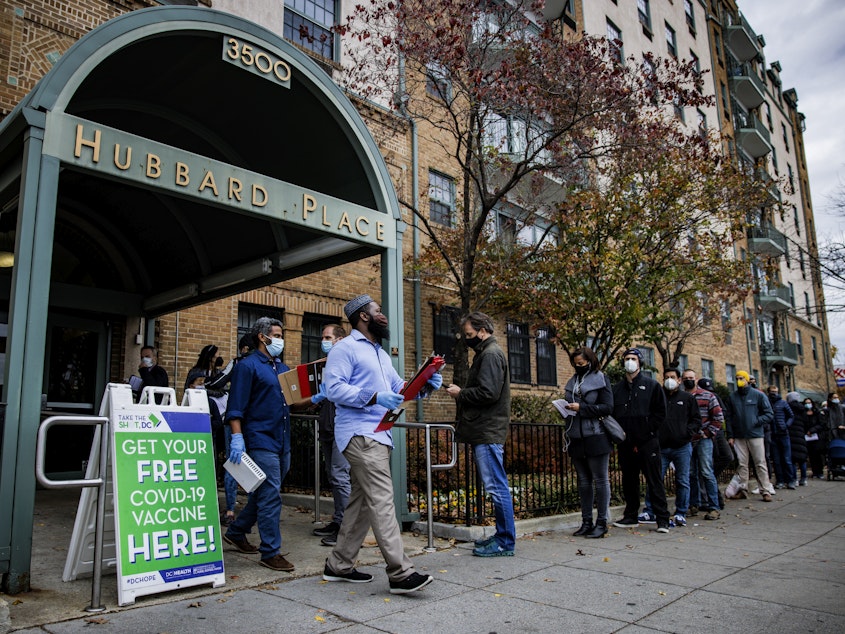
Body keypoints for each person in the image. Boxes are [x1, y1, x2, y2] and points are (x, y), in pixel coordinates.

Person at [322, 294, 441, 594]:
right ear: (363, 316)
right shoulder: (344, 348)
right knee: (383, 501)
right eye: (378, 311)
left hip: (378, 434)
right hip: (360, 435)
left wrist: (426, 382)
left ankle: (338, 564)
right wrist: (374, 397)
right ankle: (401, 572)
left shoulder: (380, 353)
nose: (383, 315)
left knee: (361, 505)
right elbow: (333, 388)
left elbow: (399, 389)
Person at [223, 317, 294, 572]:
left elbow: (294, 402)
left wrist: (319, 392)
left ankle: (237, 531)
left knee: (264, 492)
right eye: (277, 334)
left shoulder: (282, 368)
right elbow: (236, 407)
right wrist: (237, 437)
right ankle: (270, 552)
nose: (280, 339)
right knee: (271, 494)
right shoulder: (248, 366)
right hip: (260, 438)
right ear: (262, 337)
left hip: (282, 439)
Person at [446, 312, 515, 555]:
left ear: (482, 331)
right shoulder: (487, 354)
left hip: (487, 430)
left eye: (469, 335)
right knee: (497, 486)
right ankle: (502, 537)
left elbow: (488, 393)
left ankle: (505, 542)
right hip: (485, 429)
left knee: (497, 487)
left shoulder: (490, 355)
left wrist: (460, 393)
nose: (467, 339)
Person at [611, 348, 670, 533]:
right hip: (625, 443)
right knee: (629, 481)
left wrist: (645, 434)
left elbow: (660, 413)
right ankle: (630, 515)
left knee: (654, 481)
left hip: (647, 442)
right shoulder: (617, 389)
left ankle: (662, 519)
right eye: (627, 358)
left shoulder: (652, 386)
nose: (630, 361)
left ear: (639, 362)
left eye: (633, 358)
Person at [561, 347, 613, 539]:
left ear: (590, 361)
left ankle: (602, 522)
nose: (578, 367)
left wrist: (582, 408)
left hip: (596, 435)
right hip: (576, 435)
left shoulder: (601, 379)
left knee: (600, 480)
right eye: (575, 364)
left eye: (581, 364)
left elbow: (608, 407)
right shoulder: (572, 381)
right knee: (583, 482)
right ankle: (586, 522)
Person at [639, 368, 700, 528]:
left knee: (683, 480)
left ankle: (681, 512)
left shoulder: (687, 398)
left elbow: (696, 420)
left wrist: (687, 433)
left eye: (672, 377)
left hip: (682, 447)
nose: (669, 380)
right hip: (661, 447)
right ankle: (650, 510)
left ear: (679, 380)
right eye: (666, 377)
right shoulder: (658, 398)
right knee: (655, 479)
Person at [311, 323, 350, 547]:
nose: (324, 341)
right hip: (327, 425)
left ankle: (346, 528)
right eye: (323, 337)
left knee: (340, 475)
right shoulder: (328, 364)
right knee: (333, 475)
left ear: (339, 339)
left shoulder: (345, 362)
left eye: (327, 337)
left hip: (342, 428)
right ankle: (338, 520)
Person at [725, 371, 774, 502]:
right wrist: (730, 435)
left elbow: (769, 413)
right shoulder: (732, 397)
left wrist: (756, 421)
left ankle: (765, 490)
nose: (739, 380)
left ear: (747, 380)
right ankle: (743, 489)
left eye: (741, 378)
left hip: (755, 434)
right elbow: (728, 417)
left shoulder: (758, 395)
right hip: (739, 435)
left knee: (760, 462)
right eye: (737, 378)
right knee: (742, 464)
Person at [682, 369, 724, 521]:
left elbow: (718, 417)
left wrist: (708, 433)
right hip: (687, 440)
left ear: (696, 379)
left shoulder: (707, 396)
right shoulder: (682, 397)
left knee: (706, 471)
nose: (688, 380)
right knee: (691, 473)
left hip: (703, 439)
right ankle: (693, 504)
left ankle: (714, 507)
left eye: (691, 378)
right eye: (686, 378)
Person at [766, 386, 796, 489]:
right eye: (772, 392)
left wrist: (786, 425)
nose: (774, 393)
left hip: (783, 434)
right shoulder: (767, 403)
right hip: (773, 434)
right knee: (777, 460)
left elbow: (791, 416)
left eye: (775, 391)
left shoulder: (783, 403)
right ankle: (780, 480)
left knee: (787, 459)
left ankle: (790, 480)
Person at [785, 391, 809, 486]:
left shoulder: (787, 408)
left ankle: (794, 478)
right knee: (802, 459)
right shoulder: (802, 409)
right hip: (800, 434)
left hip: (791, 434)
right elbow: (806, 422)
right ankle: (803, 478)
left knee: (793, 459)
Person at [803, 398, 826, 479]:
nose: (808, 404)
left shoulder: (817, 413)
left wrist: (812, 430)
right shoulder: (803, 414)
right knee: (811, 455)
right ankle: (815, 472)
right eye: (806, 403)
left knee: (818, 455)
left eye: (809, 402)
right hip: (807, 437)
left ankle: (820, 471)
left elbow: (821, 424)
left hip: (817, 436)